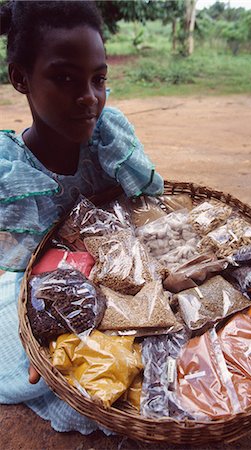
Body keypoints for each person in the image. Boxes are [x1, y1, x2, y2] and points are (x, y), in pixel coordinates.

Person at [0, 0, 163, 434]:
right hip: (40, 285)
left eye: (99, 79)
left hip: (120, 268)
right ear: (20, 78)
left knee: (163, 331)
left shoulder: (107, 137)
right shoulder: (13, 171)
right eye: (65, 78)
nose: (88, 97)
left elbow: (145, 205)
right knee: (38, 360)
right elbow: (21, 268)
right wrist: (36, 324)